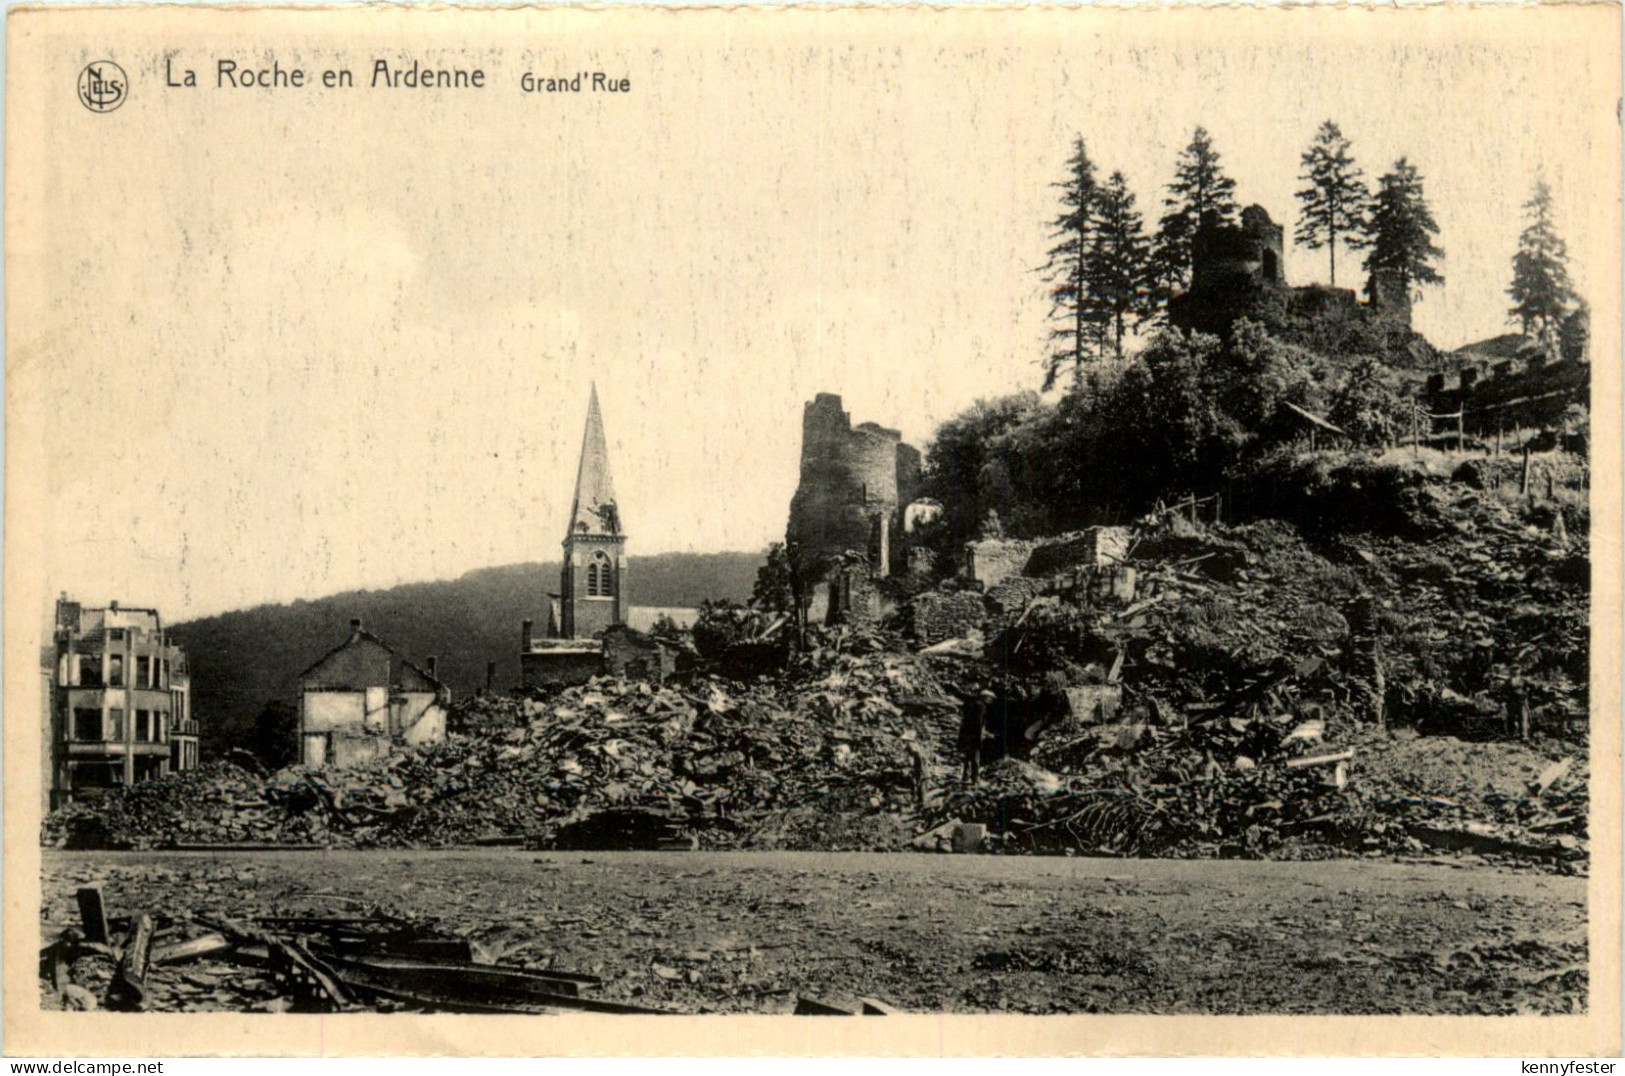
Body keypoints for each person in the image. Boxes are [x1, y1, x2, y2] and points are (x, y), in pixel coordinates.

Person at [958, 688, 993, 784]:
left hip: (967, 735)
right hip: (974, 736)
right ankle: (975, 779)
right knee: (975, 757)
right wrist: (981, 735)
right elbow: (978, 723)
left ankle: (965, 777)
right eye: (989, 698)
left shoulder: (973, 704)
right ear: (985, 698)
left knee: (968, 757)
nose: (991, 700)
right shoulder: (981, 706)